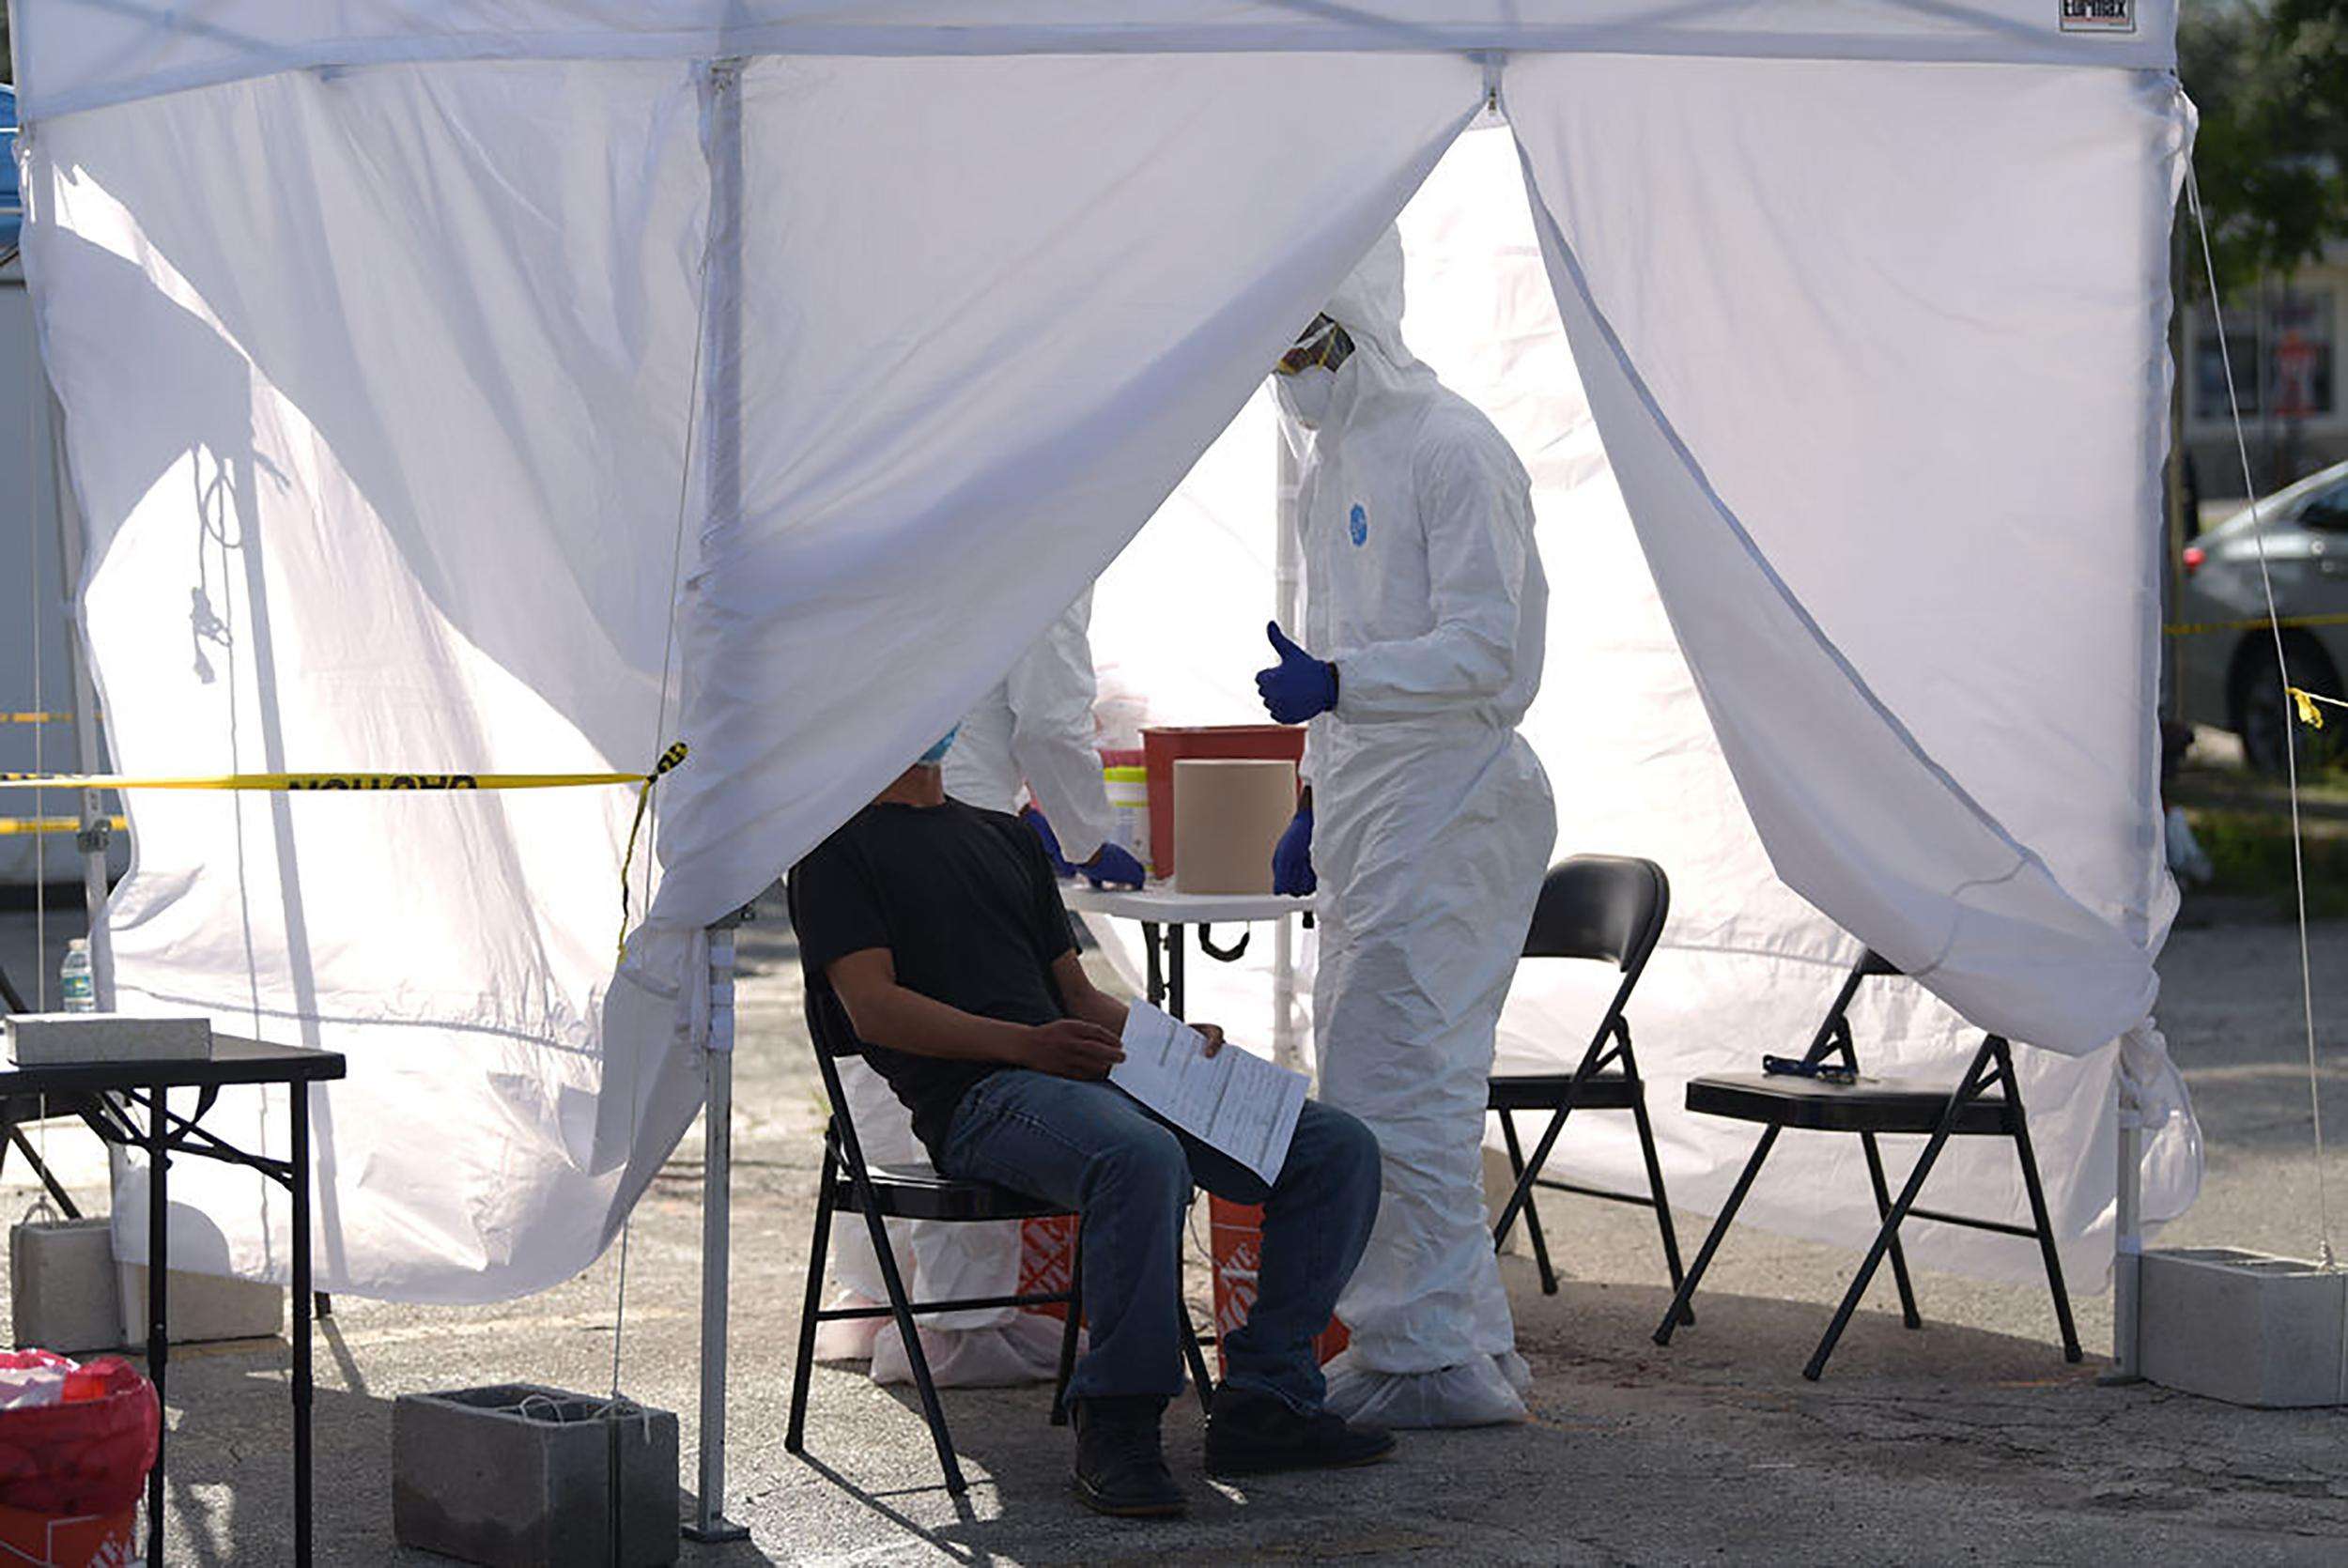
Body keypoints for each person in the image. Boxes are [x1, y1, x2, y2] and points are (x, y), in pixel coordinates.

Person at [791, 735, 1395, 1515]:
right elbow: (873, 1008)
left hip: (1077, 1069)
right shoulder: (834, 848)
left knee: (1333, 1148)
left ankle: (1266, 1401)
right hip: (980, 1095)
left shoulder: (1001, 834)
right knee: (1138, 1157)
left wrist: (1172, 1041)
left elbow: (1076, 997)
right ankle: (1117, 1419)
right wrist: (1025, 1044)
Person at [1253, 228, 1556, 1428]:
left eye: (1304, 345)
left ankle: (1425, 1359)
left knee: (1404, 1081)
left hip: (1456, 793)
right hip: (1379, 803)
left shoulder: (1454, 447)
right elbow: (1332, 638)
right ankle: (1456, 1341)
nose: (1291, 373)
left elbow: (1490, 652)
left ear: (1357, 328)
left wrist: (1342, 687)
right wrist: (1315, 796)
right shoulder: (1331, 461)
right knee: (1383, 1072)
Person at [816, 597, 1145, 1388]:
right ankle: (960, 1323)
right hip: (953, 805)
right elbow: (1052, 722)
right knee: (970, 1073)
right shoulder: (1054, 528)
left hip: (873, 789)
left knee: (884, 1079)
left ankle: (881, 1300)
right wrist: (1089, 835)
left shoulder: (915, 500)